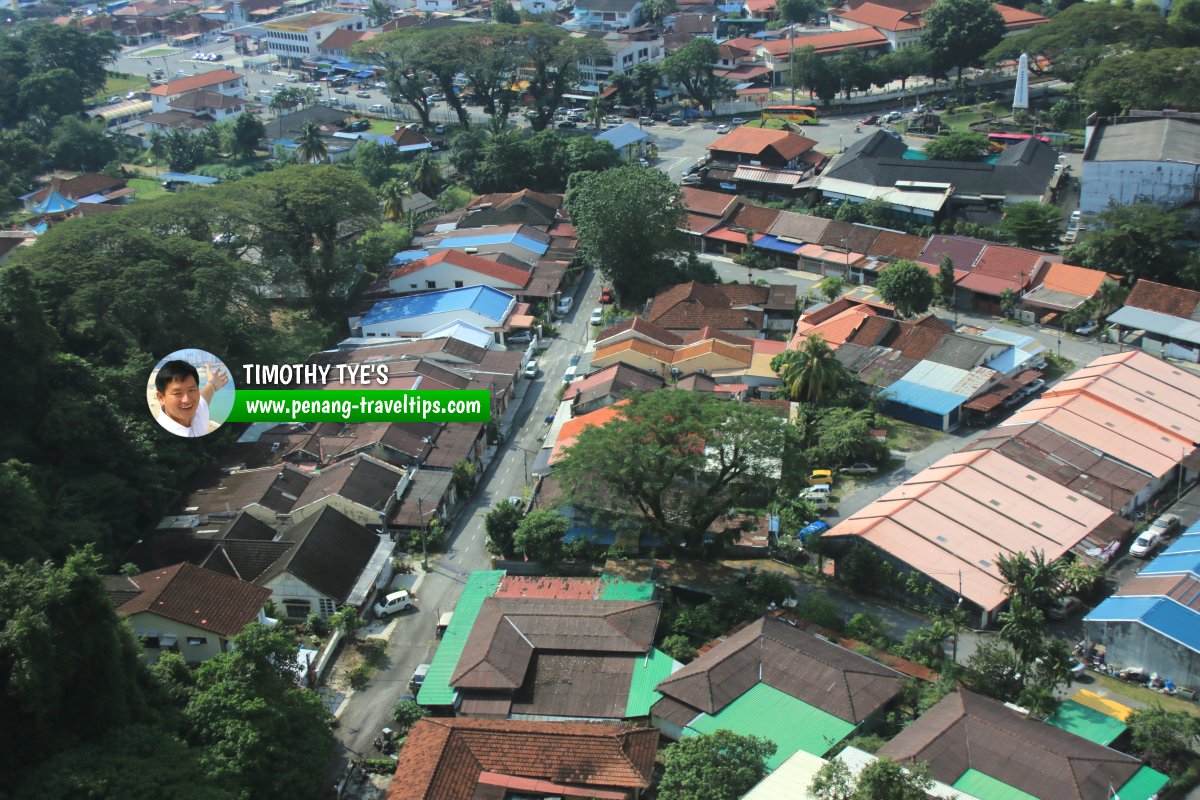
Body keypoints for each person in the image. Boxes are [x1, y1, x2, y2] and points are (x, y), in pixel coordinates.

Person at [154, 359, 228, 437]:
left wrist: (212, 384)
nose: (187, 400)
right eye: (177, 393)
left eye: (191, 390)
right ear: (161, 398)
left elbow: (204, 397)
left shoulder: (197, 412)